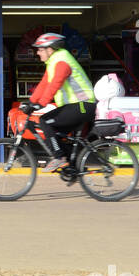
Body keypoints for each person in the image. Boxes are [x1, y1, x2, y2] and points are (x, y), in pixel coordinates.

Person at [19, 32, 95, 174]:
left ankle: (59, 158)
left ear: (50, 49)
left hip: (83, 105)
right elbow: (43, 84)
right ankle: (72, 166)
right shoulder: (53, 62)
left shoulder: (62, 61)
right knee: (55, 135)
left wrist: (41, 103)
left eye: (40, 49)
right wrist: (30, 102)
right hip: (76, 106)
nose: (37, 52)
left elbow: (55, 83)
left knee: (45, 122)